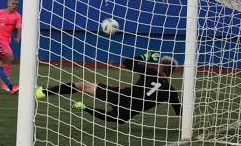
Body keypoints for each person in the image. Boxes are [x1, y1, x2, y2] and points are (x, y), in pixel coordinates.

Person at [36, 51, 180, 124]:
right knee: (115, 117)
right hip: (128, 113)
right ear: (172, 72)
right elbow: (179, 111)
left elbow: (126, 62)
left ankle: (43, 92)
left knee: (82, 86)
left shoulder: (151, 72)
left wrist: (146, 56)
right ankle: (84, 108)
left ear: (160, 66)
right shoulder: (171, 91)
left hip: (120, 96)